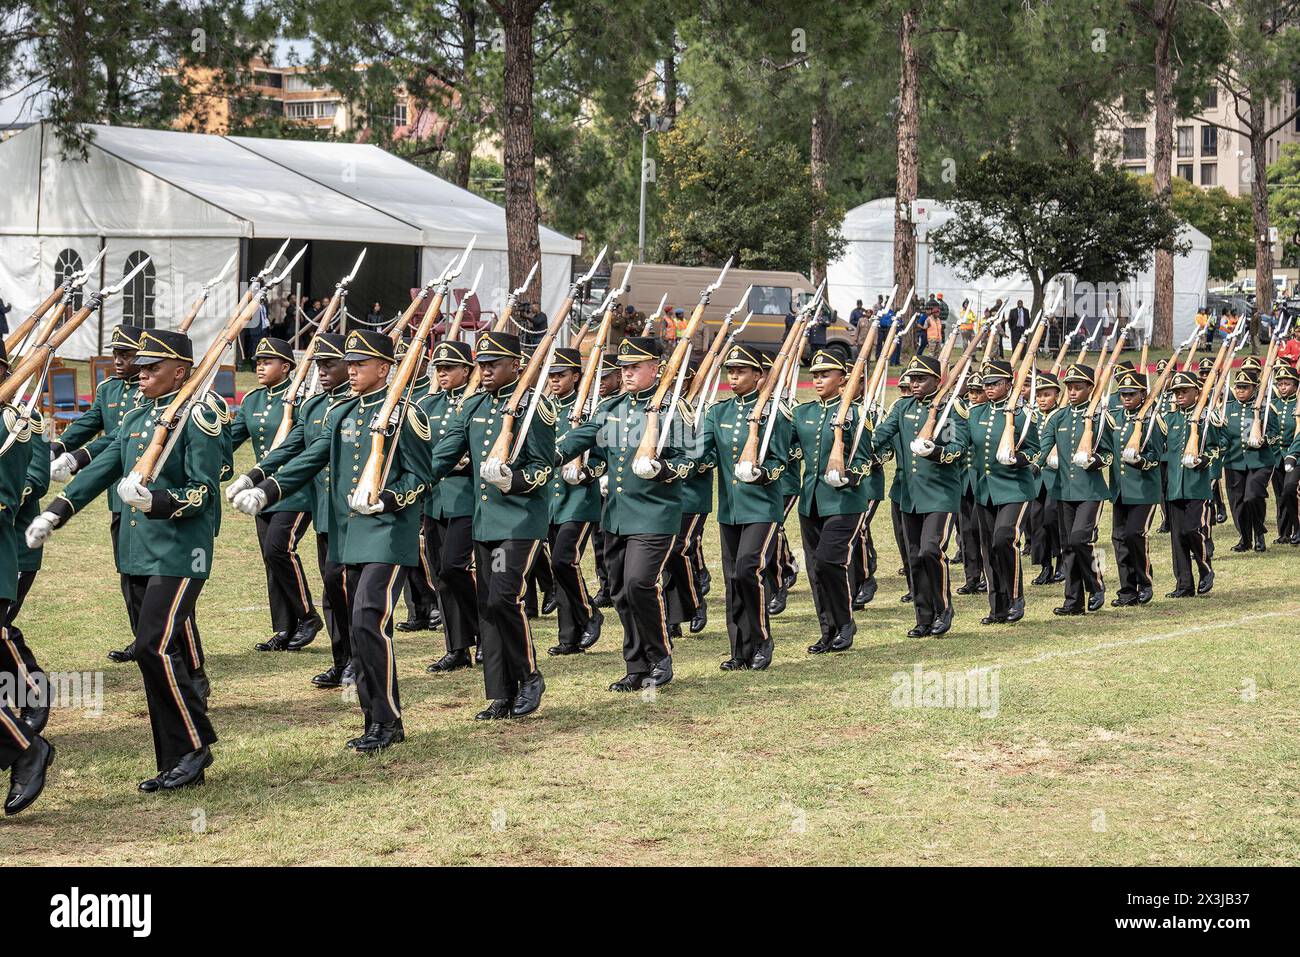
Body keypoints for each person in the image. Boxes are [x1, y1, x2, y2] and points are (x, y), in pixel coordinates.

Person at [30, 329, 221, 790]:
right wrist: (57, 511)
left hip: (180, 551)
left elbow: (203, 490)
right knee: (151, 653)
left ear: (180, 371)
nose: (141, 374)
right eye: (142, 366)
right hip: (139, 552)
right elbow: (102, 466)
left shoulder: (200, 415)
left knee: (154, 646)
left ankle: (194, 747)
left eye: (153, 368)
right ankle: (173, 755)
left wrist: (155, 500)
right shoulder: (140, 415)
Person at [232, 329, 433, 752]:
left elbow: (422, 477)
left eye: (361, 364)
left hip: (388, 533)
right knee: (359, 626)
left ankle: (388, 721)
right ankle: (373, 718)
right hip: (348, 535)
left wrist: (388, 498)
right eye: (351, 363)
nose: (353, 370)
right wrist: (265, 488)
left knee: (367, 619)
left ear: (385, 368)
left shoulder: (405, 415)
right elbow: (310, 456)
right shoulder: (341, 412)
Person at [426, 332, 554, 720]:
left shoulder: (535, 408)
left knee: (503, 598)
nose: (483, 371)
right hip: (485, 522)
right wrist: (408, 483)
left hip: (518, 521)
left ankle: (529, 676)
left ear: (516, 365)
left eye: (492, 364)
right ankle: (501, 692)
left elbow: (544, 467)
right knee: (488, 605)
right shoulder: (475, 405)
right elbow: (445, 454)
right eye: (480, 364)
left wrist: (512, 480)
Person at [556, 337, 695, 688]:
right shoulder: (611, 407)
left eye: (635, 367)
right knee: (619, 590)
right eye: (624, 368)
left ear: (655, 369)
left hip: (655, 514)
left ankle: (660, 655)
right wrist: (550, 455)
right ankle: (636, 666)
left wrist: (662, 469)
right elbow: (583, 437)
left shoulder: (672, 409)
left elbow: (689, 460)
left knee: (640, 583)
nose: (628, 373)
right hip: (617, 515)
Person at [237, 333, 355, 689]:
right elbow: (292, 445)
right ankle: (341, 660)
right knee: (332, 587)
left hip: (353, 510)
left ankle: (358, 660)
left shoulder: (359, 406)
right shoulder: (316, 406)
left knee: (349, 587)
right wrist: (254, 475)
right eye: (319, 364)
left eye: (329, 364)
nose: (321, 371)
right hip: (324, 509)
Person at [48, 324, 145, 659]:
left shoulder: (149, 391)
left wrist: (80, 456)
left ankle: (164, 638)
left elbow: (119, 436)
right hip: (117, 493)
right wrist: (58, 446)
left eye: (126, 354)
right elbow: (90, 423)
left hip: (147, 488)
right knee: (127, 568)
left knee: (155, 572)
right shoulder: (108, 389)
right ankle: (141, 639)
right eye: (116, 353)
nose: (118, 360)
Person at [695, 343, 792, 670]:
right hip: (731, 509)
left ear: (758, 376)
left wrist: (762, 473)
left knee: (749, 569)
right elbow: (702, 452)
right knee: (733, 578)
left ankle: (762, 640)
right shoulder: (718, 412)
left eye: (741, 371)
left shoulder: (773, 413)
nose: (733, 377)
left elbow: (782, 461)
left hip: (762, 507)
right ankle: (739, 649)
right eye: (730, 371)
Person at [228, 337, 322, 652]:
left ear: (286, 367)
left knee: (279, 548)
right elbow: (231, 438)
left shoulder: (303, 399)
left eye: (267, 362)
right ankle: (284, 628)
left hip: (295, 490)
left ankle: (308, 616)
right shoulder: (252, 400)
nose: (260, 367)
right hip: (261, 492)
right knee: (270, 557)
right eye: (257, 362)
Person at [869, 354, 970, 637]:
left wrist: (936, 452)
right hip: (908, 494)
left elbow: (958, 448)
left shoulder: (951, 411)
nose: (914, 383)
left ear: (938, 381)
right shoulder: (902, 408)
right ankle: (923, 616)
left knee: (930, 550)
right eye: (911, 379)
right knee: (914, 557)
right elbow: (880, 435)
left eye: (921, 379)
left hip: (939, 494)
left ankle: (943, 608)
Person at [791, 350, 872, 652]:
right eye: (815, 375)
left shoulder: (854, 414)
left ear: (842, 379)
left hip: (844, 502)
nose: (818, 380)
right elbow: (791, 449)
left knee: (829, 561)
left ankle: (845, 623)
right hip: (810, 501)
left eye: (825, 374)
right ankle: (828, 630)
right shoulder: (803, 413)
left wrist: (850, 476)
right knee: (814, 569)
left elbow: (865, 458)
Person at [420, 340, 481, 673]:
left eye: (449, 368)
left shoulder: (475, 405)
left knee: (454, 568)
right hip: (435, 498)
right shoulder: (427, 405)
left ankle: (484, 633)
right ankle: (457, 647)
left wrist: (467, 461)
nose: (442, 374)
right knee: (440, 574)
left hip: (466, 498)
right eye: (438, 369)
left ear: (466, 371)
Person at [965, 360, 1039, 624]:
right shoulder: (975, 413)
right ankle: (997, 607)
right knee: (988, 548)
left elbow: (1035, 450)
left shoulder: (1021, 414)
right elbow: (963, 443)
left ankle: (1016, 597)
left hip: (1014, 488)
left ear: (1009, 383)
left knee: (1003, 539)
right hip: (985, 490)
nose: (990, 388)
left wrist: (1018, 458)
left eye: (996, 383)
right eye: (986, 384)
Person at [1037, 363, 1112, 616]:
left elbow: (1110, 454)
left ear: (1090, 388)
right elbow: (1045, 445)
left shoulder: (1101, 418)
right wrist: (1034, 466)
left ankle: (1098, 583)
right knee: (1068, 546)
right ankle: (1073, 601)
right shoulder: (1058, 417)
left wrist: (1096, 461)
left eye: (1078, 388)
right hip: (1064, 491)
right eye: (1069, 387)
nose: (1071, 392)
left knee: (1082, 539)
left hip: (1091, 491)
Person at [544, 348, 605, 658]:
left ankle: (590, 613)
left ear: (576, 376)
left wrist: (586, 472)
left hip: (579, 500)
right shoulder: (543, 409)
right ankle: (569, 636)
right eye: (551, 375)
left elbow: (603, 459)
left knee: (563, 560)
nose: (555, 380)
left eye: (561, 375)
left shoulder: (592, 410)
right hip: (551, 499)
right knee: (560, 568)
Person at [1106, 369, 1165, 607]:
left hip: (1143, 489)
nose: (1126, 398)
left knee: (1134, 534)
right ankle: (1127, 589)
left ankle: (1145, 582)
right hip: (1120, 489)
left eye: (1132, 394)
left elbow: (1156, 456)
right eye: (1123, 394)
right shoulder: (1115, 418)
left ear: (1143, 394)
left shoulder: (1153, 421)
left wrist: (1140, 460)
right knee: (1119, 539)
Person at [1162, 371, 1222, 596]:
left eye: (1184, 391)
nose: (1179, 396)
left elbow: (1217, 446)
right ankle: (1184, 584)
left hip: (1197, 484)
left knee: (1192, 529)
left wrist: (1204, 459)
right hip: (1175, 485)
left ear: (1197, 392)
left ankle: (1205, 569)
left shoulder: (1206, 418)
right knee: (1177, 537)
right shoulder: (1170, 419)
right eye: (1176, 392)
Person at [1219, 366, 1279, 552]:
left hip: (1260, 462)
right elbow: (1223, 435)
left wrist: (1263, 439)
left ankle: (1259, 532)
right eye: (1237, 387)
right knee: (1238, 504)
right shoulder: (1227, 409)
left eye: (1245, 387)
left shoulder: (1266, 408)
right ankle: (1245, 539)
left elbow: (1275, 434)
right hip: (1234, 461)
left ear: (1254, 388)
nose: (1240, 390)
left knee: (1252, 496)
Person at [1028, 371, 1065, 584]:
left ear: (1056, 395)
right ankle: (1045, 566)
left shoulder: (1061, 415)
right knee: (1037, 520)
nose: (1042, 399)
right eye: (1039, 395)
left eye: (1047, 394)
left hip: (1056, 475)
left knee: (1053, 518)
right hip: (1036, 477)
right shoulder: (1031, 417)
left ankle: (1061, 560)